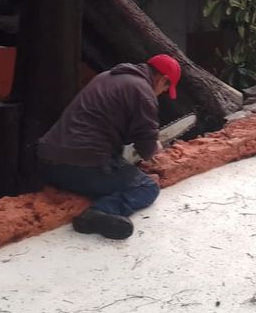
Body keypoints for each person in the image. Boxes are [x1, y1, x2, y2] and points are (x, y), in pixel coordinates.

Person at [37, 54, 182, 240]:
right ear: (164, 79)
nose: (160, 93)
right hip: (79, 167)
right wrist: (155, 148)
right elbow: (146, 149)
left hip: (49, 164)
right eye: (164, 88)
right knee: (147, 187)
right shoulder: (143, 93)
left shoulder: (107, 77)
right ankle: (99, 213)